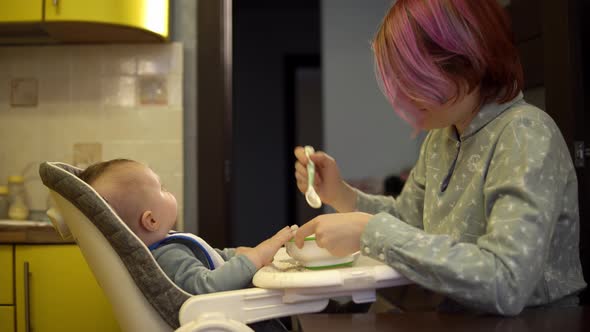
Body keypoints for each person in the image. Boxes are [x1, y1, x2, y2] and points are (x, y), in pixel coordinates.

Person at [293, 0, 586, 316]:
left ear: (464, 60)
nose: (404, 95)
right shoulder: (441, 139)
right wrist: (341, 194)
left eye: (413, 78)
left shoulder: (525, 134)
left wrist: (369, 231)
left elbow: (507, 281)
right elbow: (408, 222)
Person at [79, 159, 294, 295]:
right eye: (161, 188)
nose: (167, 190)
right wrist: (256, 256)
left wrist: (234, 254)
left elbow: (208, 259)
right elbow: (208, 285)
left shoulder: (167, 245)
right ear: (151, 220)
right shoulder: (166, 256)